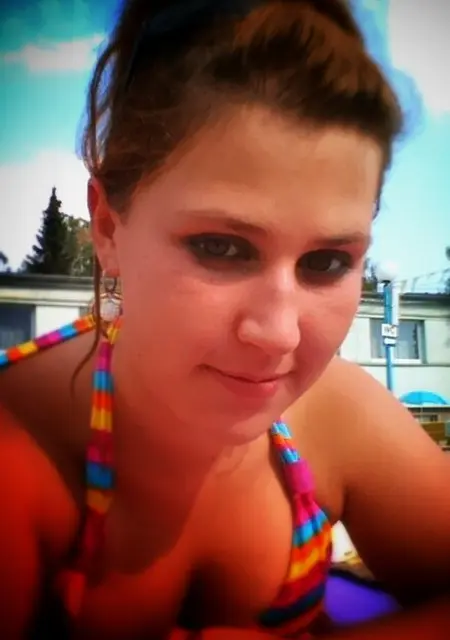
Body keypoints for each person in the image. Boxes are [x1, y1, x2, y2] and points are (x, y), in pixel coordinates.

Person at [0, 0, 449, 638]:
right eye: (220, 247)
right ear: (107, 228)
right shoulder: (20, 450)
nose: (279, 334)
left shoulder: (333, 410)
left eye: (327, 261)